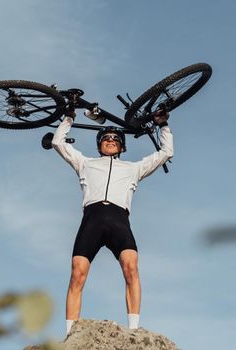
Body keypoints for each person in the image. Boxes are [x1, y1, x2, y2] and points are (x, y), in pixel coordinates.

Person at [52, 106, 172, 336]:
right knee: (77, 273)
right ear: (99, 144)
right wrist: (69, 117)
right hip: (92, 221)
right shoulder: (85, 163)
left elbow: (166, 152)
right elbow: (58, 142)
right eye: (105, 138)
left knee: (131, 269)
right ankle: (69, 336)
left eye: (115, 139)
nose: (110, 140)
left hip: (119, 221)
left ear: (121, 146)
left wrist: (163, 125)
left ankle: (134, 331)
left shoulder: (133, 168)